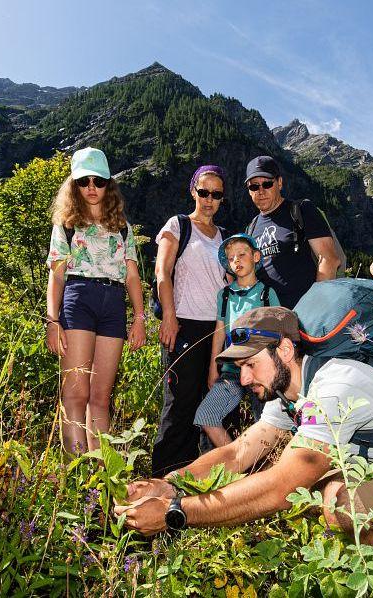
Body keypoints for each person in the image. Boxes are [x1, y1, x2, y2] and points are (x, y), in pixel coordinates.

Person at [116, 307, 373, 570]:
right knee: (325, 493)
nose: (243, 378)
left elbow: (281, 488)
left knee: (337, 497)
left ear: (284, 350)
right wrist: (169, 484)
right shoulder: (291, 392)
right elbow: (238, 452)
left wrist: (176, 512)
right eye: (239, 368)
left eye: (250, 364)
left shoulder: (335, 385)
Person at [45, 147, 146, 454]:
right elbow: (57, 275)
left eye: (98, 181)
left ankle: (100, 478)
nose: (91, 187)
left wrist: (140, 318)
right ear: (73, 186)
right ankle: (78, 475)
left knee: (101, 397)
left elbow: (131, 276)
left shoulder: (122, 227)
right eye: (83, 181)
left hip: (113, 305)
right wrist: (52, 321)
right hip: (78, 300)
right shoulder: (66, 224)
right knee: (75, 393)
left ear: (108, 185)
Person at [151, 165, 229, 476]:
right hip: (183, 324)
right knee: (180, 407)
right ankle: (164, 481)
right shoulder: (178, 225)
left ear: (222, 199)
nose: (209, 199)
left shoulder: (225, 237)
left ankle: (207, 486)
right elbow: (162, 272)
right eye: (204, 192)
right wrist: (169, 315)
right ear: (193, 191)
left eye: (216, 194)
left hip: (218, 331)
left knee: (215, 408)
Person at [194, 234, 280, 449]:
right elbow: (220, 331)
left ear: (256, 257)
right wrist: (214, 367)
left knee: (264, 423)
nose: (236, 261)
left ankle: (264, 471)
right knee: (206, 415)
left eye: (242, 255)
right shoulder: (224, 295)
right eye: (231, 258)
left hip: (262, 371)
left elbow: (279, 331)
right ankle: (237, 463)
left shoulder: (267, 294)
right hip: (232, 370)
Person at [244, 156, 340, 309]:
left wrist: (316, 308)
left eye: (267, 184)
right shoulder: (251, 227)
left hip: (304, 314)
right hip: (268, 318)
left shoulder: (301, 210)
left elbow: (329, 259)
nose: (261, 191)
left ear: (279, 183)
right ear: (249, 191)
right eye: (254, 187)